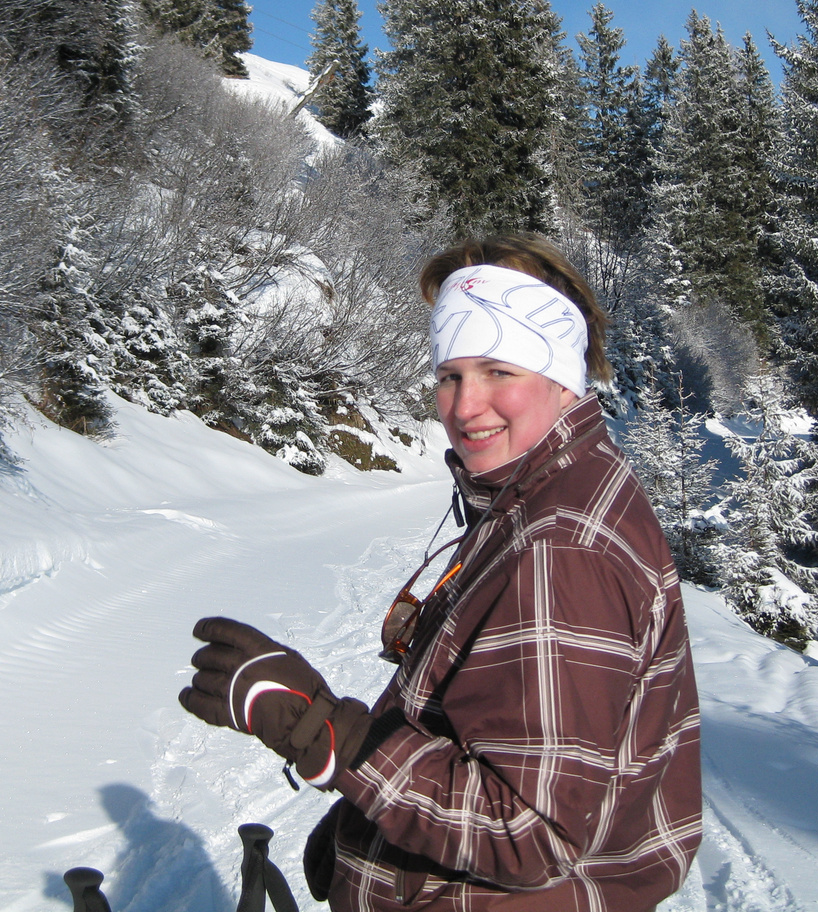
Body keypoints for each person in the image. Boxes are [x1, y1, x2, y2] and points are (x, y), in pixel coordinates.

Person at [180, 233, 701, 910]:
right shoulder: (551, 491)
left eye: (499, 371)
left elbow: (530, 830)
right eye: (450, 375)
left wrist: (328, 735)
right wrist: (366, 831)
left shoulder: (559, 547)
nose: (463, 405)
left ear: (560, 373)